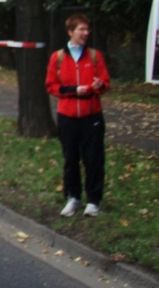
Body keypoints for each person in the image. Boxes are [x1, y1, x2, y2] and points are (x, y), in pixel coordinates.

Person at [45, 14, 111, 218]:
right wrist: (75, 90)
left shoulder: (94, 56)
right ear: (70, 32)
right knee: (70, 159)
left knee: (93, 159)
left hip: (92, 116)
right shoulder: (58, 57)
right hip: (67, 116)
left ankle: (93, 200)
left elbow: (106, 81)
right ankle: (73, 197)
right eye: (81, 29)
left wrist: (99, 86)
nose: (86, 33)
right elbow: (51, 86)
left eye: (87, 30)